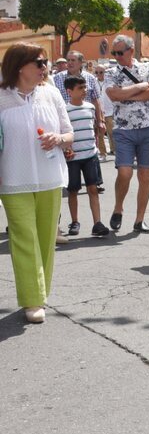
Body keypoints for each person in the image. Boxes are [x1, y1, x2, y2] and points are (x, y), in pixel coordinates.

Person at [0, 43, 74, 323]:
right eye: (40, 63)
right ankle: (32, 299)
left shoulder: (52, 93)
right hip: (12, 178)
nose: (46, 68)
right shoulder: (1, 97)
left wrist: (58, 139)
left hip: (49, 176)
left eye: (46, 63)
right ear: (20, 66)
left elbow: (70, 134)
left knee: (45, 239)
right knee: (23, 238)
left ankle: (40, 292)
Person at [104, 35, 149, 234]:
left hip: (148, 127)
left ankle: (139, 220)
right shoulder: (111, 72)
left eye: (120, 52)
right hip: (123, 129)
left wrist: (127, 94)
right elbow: (114, 95)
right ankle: (118, 208)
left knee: (145, 176)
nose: (117, 56)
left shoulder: (147, 68)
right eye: (115, 53)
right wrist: (141, 86)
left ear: (131, 51)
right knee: (125, 173)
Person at [63, 76, 110, 238]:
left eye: (85, 87)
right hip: (73, 158)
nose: (85, 91)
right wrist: (67, 149)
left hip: (90, 155)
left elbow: (94, 129)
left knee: (93, 189)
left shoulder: (90, 107)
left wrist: (96, 145)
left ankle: (97, 223)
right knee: (73, 190)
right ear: (69, 91)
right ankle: (75, 221)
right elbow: (63, 131)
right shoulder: (65, 110)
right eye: (80, 88)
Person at [54, 51, 106, 150]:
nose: (69, 63)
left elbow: (96, 100)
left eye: (73, 60)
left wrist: (100, 121)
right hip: (66, 123)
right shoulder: (57, 78)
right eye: (68, 60)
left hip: (86, 123)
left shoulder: (90, 78)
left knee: (88, 150)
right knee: (69, 154)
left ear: (81, 62)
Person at [93, 64, 114, 158]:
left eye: (101, 72)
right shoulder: (93, 82)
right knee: (100, 134)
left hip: (110, 111)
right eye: (96, 72)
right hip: (98, 112)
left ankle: (114, 150)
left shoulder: (110, 82)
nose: (99, 74)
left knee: (111, 132)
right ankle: (103, 153)